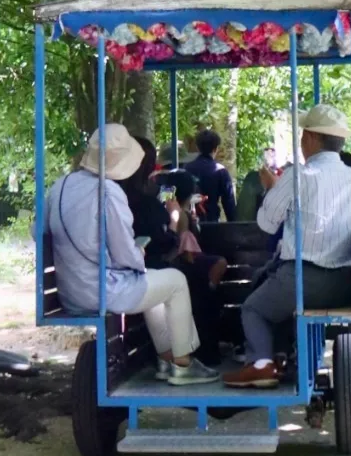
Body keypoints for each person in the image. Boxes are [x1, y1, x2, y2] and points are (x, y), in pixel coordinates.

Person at [46, 123, 210, 383]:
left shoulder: (60, 186)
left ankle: (166, 360)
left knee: (155, 286)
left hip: (71, 293)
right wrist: (139, 257)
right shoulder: (110, 191)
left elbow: (38, 232)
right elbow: (125, 252)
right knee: (175, 281)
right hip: (102, 291)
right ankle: (184, 364)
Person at [223, 103, 351, 389]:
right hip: (346, 283)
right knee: (278, 294)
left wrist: (274, 189)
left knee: (253, 308)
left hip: (303, 281)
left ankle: (261, 364)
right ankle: (284, 357)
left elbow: (267, 224)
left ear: (309, 137)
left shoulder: (298, 175)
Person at [124, 142, 229, 369]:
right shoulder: (148, 196)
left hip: (136, 267)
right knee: (188, 285)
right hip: (152, 264)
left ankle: (168, 357)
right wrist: (175, 218)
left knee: (189, 283)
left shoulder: (127, 193)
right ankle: (185, 360)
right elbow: (164, 241)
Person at [186, 127, 237, 222]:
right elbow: (229, 203)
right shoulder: (221, 171)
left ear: (197, 147)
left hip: (190, 222)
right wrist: (233, 225)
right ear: (216, 149)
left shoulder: (186, 168)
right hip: (212, 223)